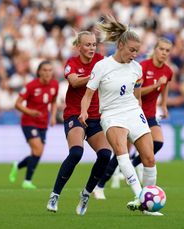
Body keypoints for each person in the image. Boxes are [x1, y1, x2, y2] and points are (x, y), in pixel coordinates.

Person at [79, 15, 162, 216]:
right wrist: (83, 112)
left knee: (149, 158)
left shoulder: (137, 68)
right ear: (121, 45)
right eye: (132, 50)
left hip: (133, 112)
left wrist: (141, 113)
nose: (134, 54)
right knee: (122, 155)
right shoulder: (102, 66)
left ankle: (146, 205)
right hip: (111, 115)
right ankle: (141, 199)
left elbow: (137, 94)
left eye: (137, 51)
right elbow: (88, 94)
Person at [93, 37, 173, 200]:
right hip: (129, 112)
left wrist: (164, 104)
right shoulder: (141, 66)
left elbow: (165, 86)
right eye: (161, 49)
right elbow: (135, 92)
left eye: (167, 50)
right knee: (123, 153)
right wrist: (155, 85)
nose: (164, 53)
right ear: (155, 49)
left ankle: (133, 167)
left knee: (157, 143)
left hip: (149, 113)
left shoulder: (167, 71)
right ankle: (100, 184)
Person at [46, 31, 112, 215]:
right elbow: (74, 82)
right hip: (75, 114)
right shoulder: (72, 63)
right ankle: (55, 195)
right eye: (88, 44)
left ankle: (86, 193)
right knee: (76, 152)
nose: (92, 48)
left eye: (94, 44)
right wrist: (95, 76)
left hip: (96, 116)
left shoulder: (101, 60)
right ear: (79, 46)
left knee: (106, 155)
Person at [9, 60, 59, 189]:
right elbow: (17, 104)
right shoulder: (31, 86)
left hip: (43, 123)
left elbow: (53, 102)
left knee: (37, 153)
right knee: (38, 150)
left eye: (50, 70)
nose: (48, 73)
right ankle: (27, 181)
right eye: (45, 70)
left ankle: (18, 166)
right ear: (39, 72)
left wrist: (53, 116)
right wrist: (30, 111)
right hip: (29, 122)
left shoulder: (54, 85)